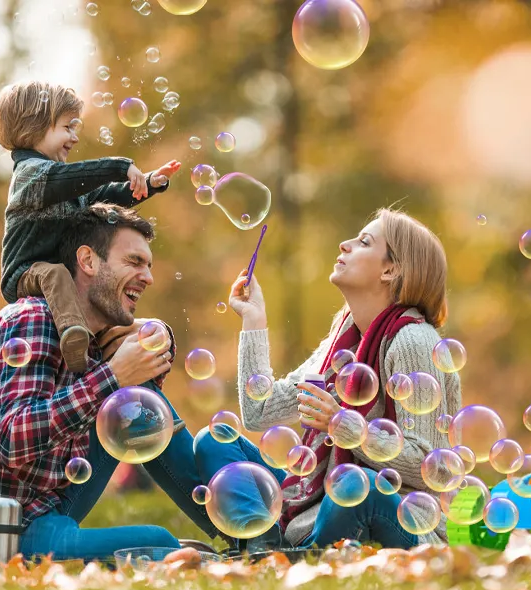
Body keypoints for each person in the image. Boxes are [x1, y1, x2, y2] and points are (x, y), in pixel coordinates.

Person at [0, 205, 220, 567]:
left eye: (148, 265)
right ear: (87, 260)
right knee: (159, 542)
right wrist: (113, 375)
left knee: (138, 397)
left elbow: (141, 411)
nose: (148, 277)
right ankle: (213, 549)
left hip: (44, 506)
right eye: (134, 261)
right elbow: (13, 438)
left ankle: (243, 535)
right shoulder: (34, 319)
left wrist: (151, 343)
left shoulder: (85, 337)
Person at [195, 208, 462, 551]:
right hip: (325, 505)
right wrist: (253, 319)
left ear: (390, 269)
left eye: (364, 242)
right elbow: (258, 412)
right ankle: (267, 548)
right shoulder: (344, 337)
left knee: (355, 486)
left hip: (402, 518)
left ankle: (283, 553)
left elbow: (431, 467)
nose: (345, 244)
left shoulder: (414, 340)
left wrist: (342, 424)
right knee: (214, 441)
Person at [0, 80, 182, 373]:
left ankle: (104, 350)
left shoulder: (64, 184)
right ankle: (74, 339)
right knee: (56, 273)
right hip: (25, 272)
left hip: (58, 281)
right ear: (34, 127)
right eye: (67, 128)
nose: (75, 138)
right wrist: (121, 166)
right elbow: (73, 177)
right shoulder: (31, 176)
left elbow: (105, 194)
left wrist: (149, 183)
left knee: (94, 301)